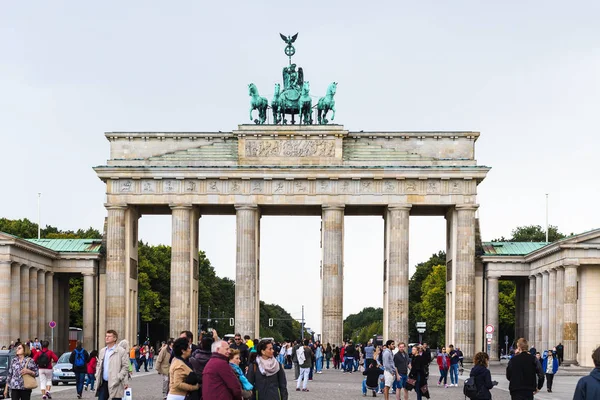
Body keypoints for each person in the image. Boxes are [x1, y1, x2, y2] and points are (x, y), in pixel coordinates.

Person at [95, 329, 131, 400]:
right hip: (103, 382)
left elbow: (125, 366)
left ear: (115, 338)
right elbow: (99, 364)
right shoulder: (102, 351)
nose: (106, 338)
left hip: (115, 383)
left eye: (109, 336)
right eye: (106, 336)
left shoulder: (121, 351)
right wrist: (97, 374)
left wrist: (119, 377)